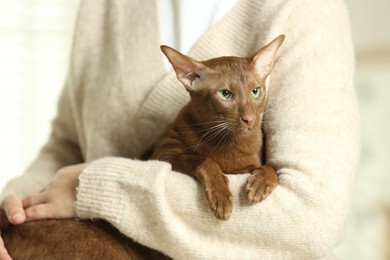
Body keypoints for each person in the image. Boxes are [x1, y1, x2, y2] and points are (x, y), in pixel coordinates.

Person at [0, 0, 359, 259]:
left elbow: (311, 219)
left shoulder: (306, 10)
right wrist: (14, 206)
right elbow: (67, 142)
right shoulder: (104, 6)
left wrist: (101, 188)